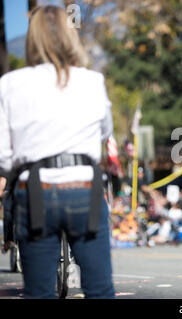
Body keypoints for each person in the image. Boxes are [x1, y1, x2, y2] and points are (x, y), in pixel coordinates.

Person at [0, 6, 115, 298]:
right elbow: (105, 133)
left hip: (36, 189)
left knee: (38, 291)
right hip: (84, 186)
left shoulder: (10, 84)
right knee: (100, 289)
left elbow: (4, 153)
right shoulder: (92, 81)